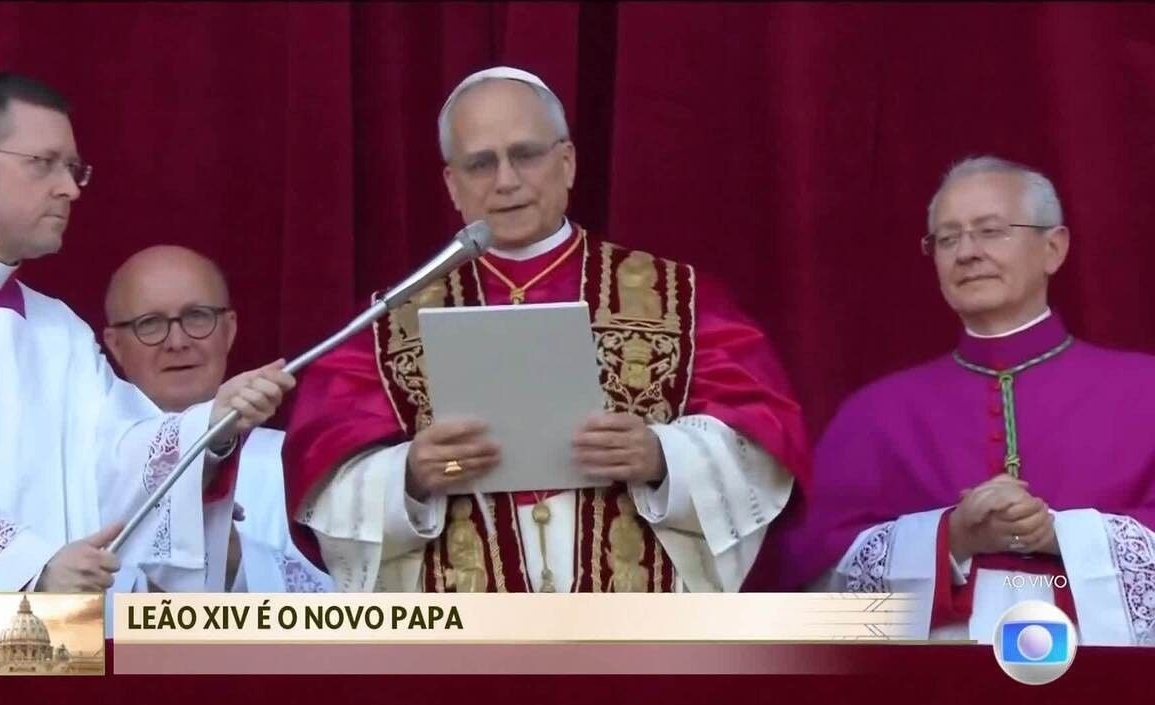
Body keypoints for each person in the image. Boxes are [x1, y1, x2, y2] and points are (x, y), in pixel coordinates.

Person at [283, 66, 808, 593]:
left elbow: (763, 443)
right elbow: (326, 476)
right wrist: (410, 477)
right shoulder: (388, 321)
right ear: (452, 185)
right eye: (481, 163)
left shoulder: (678, 298)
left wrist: (662, 458)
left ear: (567, 162)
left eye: (526, 155)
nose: (506, 181)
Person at [0, 72, 294, 635]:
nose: (69, 189)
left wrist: (209, 426)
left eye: (73, 169)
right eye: (43, 164)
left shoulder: (59, 330)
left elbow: (115, 458)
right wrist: (31, 569)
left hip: (59, 637)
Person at [774, 156, 1155, 645]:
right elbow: (813, 575)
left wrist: (1062, 534)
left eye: (990, 231)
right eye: (947, 239)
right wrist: (950, 537)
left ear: (1053, 248)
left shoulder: (1144, 390)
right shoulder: (875, 414)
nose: (967, 252)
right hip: (929, 679)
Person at [102, 245, 332, 592]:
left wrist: (235, 559)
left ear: (229, 330)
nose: (177, 342)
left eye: (197, 316)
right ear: (115, 345)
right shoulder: (83, 467)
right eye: (150, 323)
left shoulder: (296, 461)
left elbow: (351, 606)